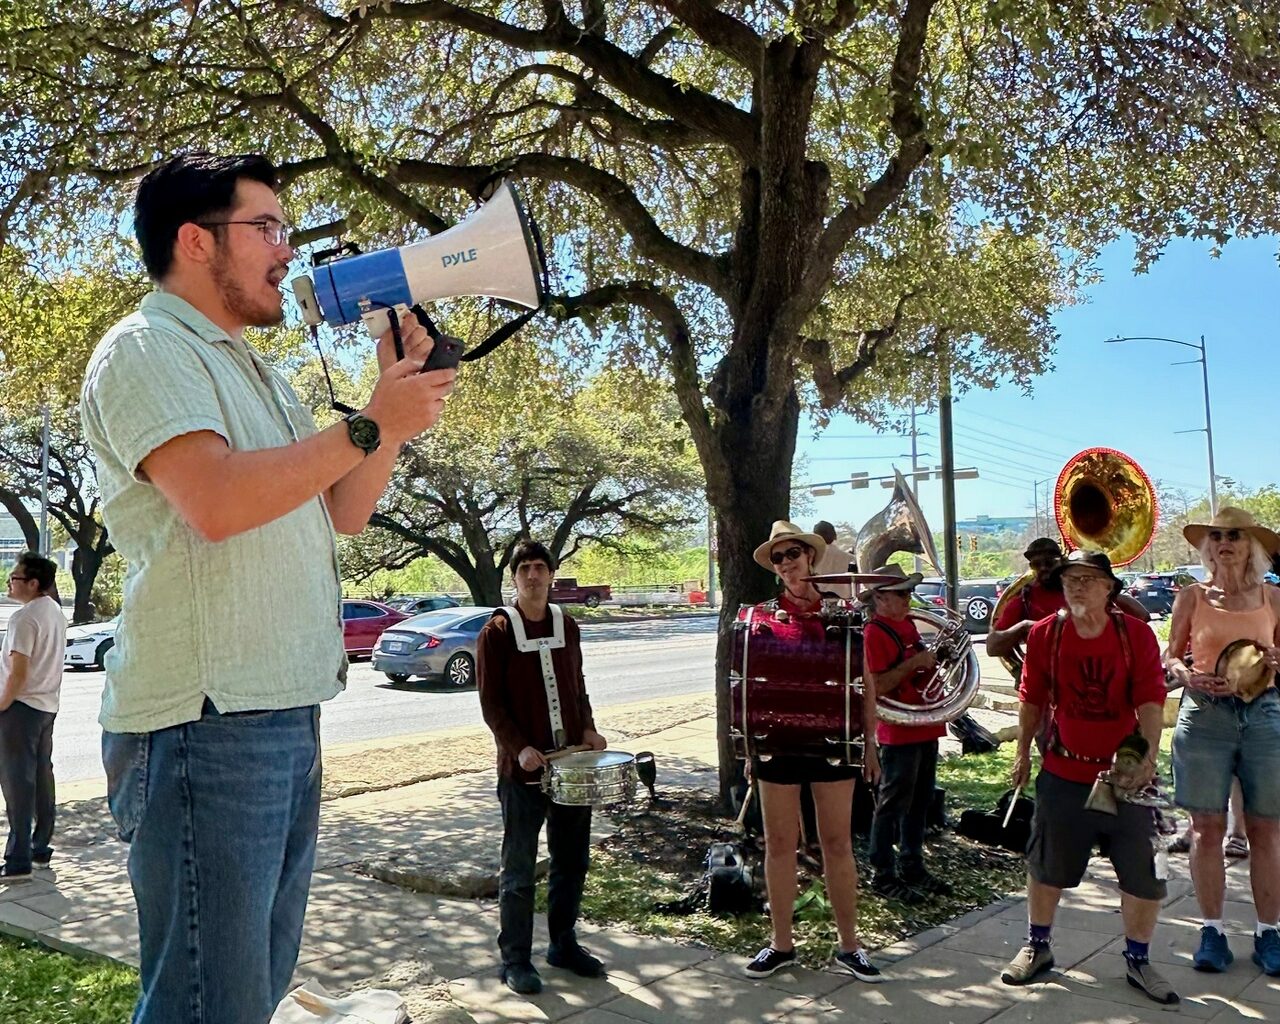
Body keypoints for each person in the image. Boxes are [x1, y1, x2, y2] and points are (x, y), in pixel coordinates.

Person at [79, 153, 455, 1023]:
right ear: (194, 242)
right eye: (268, 229)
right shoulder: (145, 348)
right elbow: (214, 500)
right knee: (208, 1000)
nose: (289, 250)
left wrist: (388, 408)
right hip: (203, 723)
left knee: (248, 994)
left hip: (282, 712)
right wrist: (367, 422)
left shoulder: (260, 372)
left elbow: (346, 508)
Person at [1002, 550, 1177, 1004]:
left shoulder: (1133, 634)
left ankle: (1139, 959)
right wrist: (1022, 754)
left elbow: (1151, 700)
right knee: (1046, 865)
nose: (1077, 587)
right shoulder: (1047, 634)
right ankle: (1037, 947)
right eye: (1070, 579)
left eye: (1088, 579)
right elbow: (1031, 698)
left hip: (1126, 775)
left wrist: (1148, 758)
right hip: (1063, 769)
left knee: (1143, 873)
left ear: (1109, 587)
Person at [740, 522, 883, 982]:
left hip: (832, 741)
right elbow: (748, 687)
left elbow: (865, 681)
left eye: (793, 553)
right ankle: (781, 944)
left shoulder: (843, 614)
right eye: (778, 557)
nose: (786, 563)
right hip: (777, 744)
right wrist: (748, 746)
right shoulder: (759, 617)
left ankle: (850, 946)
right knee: (780, 846)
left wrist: (871, 743)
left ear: (810, 557)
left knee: (837, 844)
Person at [476, 540, 609, 996]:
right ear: (514, 578)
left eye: (540, 568)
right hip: (524, 773)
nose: (533, 576)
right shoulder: (496, 630)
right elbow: (491, 704)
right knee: (518, 868)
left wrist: (589, 729)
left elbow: (577, 685)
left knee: (571, 861)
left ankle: (563, 944)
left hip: (570, 767)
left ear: (551, 576)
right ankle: (515, 958)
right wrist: (519, 748)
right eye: (525, 569)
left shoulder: (567, 626)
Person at [1165, 508, 1280, 976]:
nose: (1224, 542)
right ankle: (1211, 931)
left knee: (1266, 830)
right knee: (1206, 829)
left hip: (1264, 714)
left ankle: (1269, 933)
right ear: (1207, 546)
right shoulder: (1192, 597)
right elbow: (1169, 656)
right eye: (1217, 536)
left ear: (1250, 544)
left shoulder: (1272, 596)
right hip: (1205, 716)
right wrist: (1186, 674)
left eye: (1234, 535)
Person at [862, 564, 951, 902]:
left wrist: (937, 658)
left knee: (921, 801)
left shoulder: (908, 625)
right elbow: (878, 685)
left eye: (909, 592)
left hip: (925, 724)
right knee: (893, 803)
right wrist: (915, 664)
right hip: (899, 731)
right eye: (902, 593)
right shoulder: (875, 632)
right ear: (880, 598)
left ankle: (912, 863)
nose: (909, 598)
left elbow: (919, 667)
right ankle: (882, 872)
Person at [0, 553, 67, 881]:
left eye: (14, 578)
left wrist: (2, 704)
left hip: (20, 708)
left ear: (33, 583)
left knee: (17, 783)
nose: (9, 583)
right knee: (41, 776)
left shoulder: (23, 619)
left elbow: (18, 673)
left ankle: (18, 859)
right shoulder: (55, 612)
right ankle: (40, 846)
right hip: (46, 706)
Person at [988, 538, 1149, 662]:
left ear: (1061, 562)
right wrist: (1024, 627)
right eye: (1036, 564)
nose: (1043, 568)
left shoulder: (1086, 590)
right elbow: (992, 647)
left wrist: (1106, 591)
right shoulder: (1024, 599)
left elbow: (1142, 616)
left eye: (1049, 562)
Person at [811, 520, 853, 600]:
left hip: (816, 602)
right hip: (843, 602)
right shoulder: (850, 558)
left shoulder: (808, 557)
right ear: (834, 535)